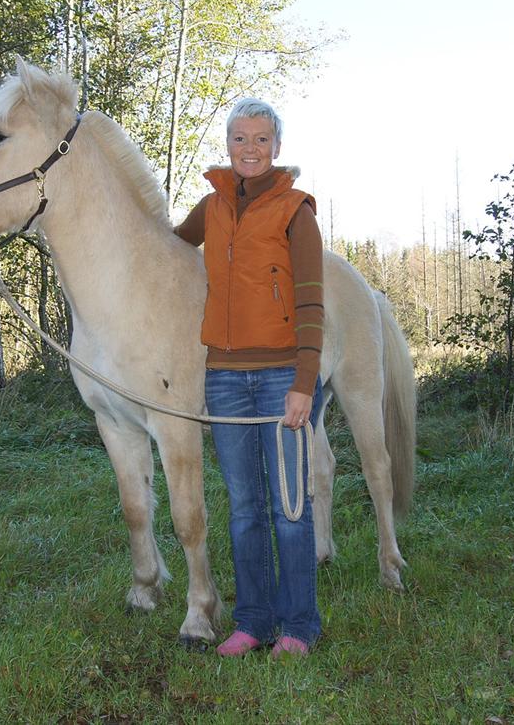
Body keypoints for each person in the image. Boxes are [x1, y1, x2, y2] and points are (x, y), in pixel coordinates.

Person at [174, 98, 325, 658]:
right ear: (228, 144)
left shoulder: (295, 211)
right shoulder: (212, 206)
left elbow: (311, 303)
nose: (250, 149)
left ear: (277, 147)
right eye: (240, 138)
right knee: (244, 510)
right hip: (225, 379)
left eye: (262, 139)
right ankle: (254, 621)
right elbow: (169, 244)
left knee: (290, 510)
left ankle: (298, 626)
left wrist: (304, 383)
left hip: (283, 375)